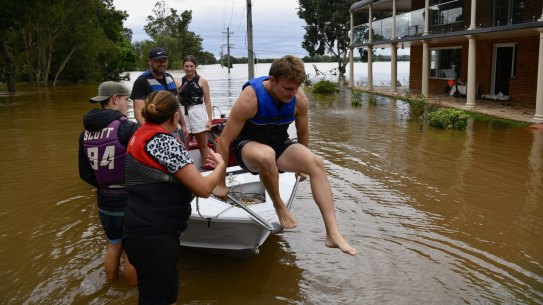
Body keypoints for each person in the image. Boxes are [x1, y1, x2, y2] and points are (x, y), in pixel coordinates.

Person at [214, 55, 357, 256]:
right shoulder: (250, 98)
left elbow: (303, 133)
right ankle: (279, 206)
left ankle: (333, 233)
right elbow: (224, 140)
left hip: (278, 143)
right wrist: (221, 182)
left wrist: (302, 166)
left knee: (316, 163)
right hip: (246, 147)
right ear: (272, 80)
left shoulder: (298, 99)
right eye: (288, 89)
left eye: (296, 88)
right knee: (266, 155)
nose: (293, 93)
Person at [122, 90, 226, 305]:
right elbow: (204, 189)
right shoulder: (163, 143)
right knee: (157, 298)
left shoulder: (140, 133)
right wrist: (221, 166)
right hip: (154, 236)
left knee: (165, 295)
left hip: (140, 230)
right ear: (175, 116)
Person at [78, 81, 138, 284]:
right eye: (125, 100)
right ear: (114, 99)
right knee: (133, 252)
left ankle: (110, 286)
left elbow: (85, 173)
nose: (128, 104)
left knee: (114, 246)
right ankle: (131, 293)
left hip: (105, 202)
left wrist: (105, 184)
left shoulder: (84, 133)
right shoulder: (128, 128)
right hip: (129, 201)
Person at [130, 47, 187, 135]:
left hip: (173, 128)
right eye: (158, 61)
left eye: (165, 60)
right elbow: (138, 114)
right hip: (154, 132)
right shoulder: (141, 82)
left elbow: (176, 106)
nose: (163, 63)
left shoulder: (169, 78)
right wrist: (153, 134)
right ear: (149, 61)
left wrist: (183, 125)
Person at [177, 55, 213, 166]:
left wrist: (210, 120)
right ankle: (186, 172)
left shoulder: (202, 81)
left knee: (203, 146)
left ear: (195, 66)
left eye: (191, 66)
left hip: (198, 112)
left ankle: (207, 170)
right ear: (183, 67)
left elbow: (207, 102)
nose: (189, 69)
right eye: (186, 66)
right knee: (184, 147)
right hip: (184, 113)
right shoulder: (178, 82)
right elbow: (176, 103)